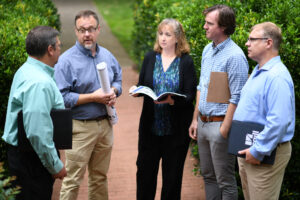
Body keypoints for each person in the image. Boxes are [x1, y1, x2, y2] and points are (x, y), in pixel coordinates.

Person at [54, 10, 122, 200]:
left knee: (99, 178)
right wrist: (93, 97)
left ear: (98, 29)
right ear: (76, 31)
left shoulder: (107, 56)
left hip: (105, 125)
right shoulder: (65, 61)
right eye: (82, 30)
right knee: (73, 179)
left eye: (91, 29)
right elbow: (62, 98)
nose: (87, 34)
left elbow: (118, 79)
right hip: (80, 128)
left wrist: (114, 92)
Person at [130, 18, 197, 200]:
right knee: (144, 175)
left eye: (168, 34)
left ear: (177, 38)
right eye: (161, 34)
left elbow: (190, 94)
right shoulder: (150, 57)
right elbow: (143, 84)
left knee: (172, 180)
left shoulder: (186, 62)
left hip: (175, 132)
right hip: (150, 130)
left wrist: (172, 101)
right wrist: (137, 91)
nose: (163, 38)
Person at [188, 5, 249, 200]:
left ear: (222, 27)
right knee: (208, 176)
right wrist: (195, 119)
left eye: (209, 23)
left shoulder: (235, 56)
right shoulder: (207, 50)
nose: (204, 26)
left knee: (225, 181)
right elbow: (201, 87)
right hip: (204, 123)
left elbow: (237, 98)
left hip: (221, 124)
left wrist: (224, 129)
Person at [2, 26, 67, 200]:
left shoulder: (27, 70)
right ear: (50, 49)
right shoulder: (39, 82)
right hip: (31, 161)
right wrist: (55, 165)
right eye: (59, 45)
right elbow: (37, 132)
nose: (61, 49)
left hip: (26, 157)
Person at [233, 22, 295, 200]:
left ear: (268, 43)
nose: (247, 43)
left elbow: (279, 121)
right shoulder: (259, 70)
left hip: (265, 153)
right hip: (250, 149)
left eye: (252, 39)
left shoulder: (276, 76)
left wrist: (258, 150)